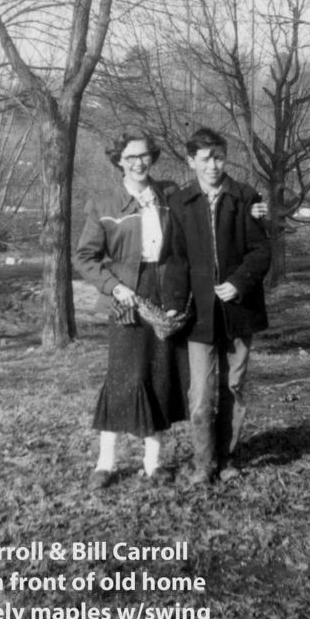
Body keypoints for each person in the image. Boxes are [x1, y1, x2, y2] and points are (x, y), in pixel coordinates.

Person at [74, 129, 188, 490]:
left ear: (152, 158)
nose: (139, 163)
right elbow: (85, 258)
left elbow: (206, 213)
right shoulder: (104, 203)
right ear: (118, 161)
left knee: (158, 376)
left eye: (144, 156)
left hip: (165, 291)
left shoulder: (170, 194)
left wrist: (253, 206)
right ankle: (106, 464)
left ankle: (154, 463)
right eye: (131, 157)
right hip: (126, 296)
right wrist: (114, 287)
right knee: (123, 377)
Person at [163, 127, 271, 485]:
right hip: (200, 317)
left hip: (239, 311)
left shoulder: (245, 196)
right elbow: (176, 259)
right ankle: (203, 463)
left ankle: (225, 459)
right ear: (190, 161)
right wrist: (174, 305)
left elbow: (261, 250)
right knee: (200, 395)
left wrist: (238, 282)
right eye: (205, 159)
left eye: (219, 157)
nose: (213, 165)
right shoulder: (179, 203)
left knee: (233, 387)